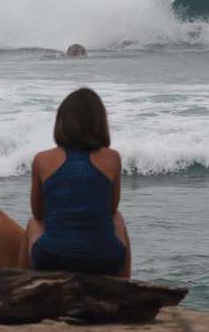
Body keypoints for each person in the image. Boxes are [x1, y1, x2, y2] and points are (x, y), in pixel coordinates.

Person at [20, 87, 131, 277]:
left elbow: (38, 213)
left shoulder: (42, 159)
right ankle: (126, 289)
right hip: (105, 259)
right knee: (118, 218)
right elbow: (111, 208)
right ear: (99, 123)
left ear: (62, 122)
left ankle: (22, 286)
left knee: (33, 224)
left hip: (52, 258)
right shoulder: (112, 158)